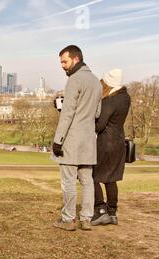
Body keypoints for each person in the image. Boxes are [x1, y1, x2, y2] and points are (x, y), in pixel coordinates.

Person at [52, 45, 102, 231]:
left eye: (64, 61)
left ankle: (68, 220)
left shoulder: (74, 80)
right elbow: (97, 112)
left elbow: (68, 114)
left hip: (71, 139)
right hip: (89, 139)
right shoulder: (97, 82)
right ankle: (86, 219)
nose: (62, 66)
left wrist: (58, 140)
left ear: (75, 59)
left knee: (69, 181)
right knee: (87, 181)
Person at [91, 69, 131, 226]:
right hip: (119, 141)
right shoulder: (125, 97)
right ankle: (112, 212)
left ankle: (100, 210)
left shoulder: (110, 100)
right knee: (111, 178)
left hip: (105, 143)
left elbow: (100, 125)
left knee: (91, 175)